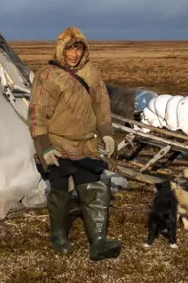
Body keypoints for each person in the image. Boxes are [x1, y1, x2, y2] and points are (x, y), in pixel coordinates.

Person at [28, 26, 121, 259]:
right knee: (59, 190)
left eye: (78, 49)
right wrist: (44, 146)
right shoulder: (48, 76)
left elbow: (101, 104)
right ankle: (58, 236)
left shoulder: (91, 73)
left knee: (93, 188)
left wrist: (107, 132)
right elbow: (37, 113)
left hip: (85, 143)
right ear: (62, 50)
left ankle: (98, 242)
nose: (75, 54)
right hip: (57, 142)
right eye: (70, 49)